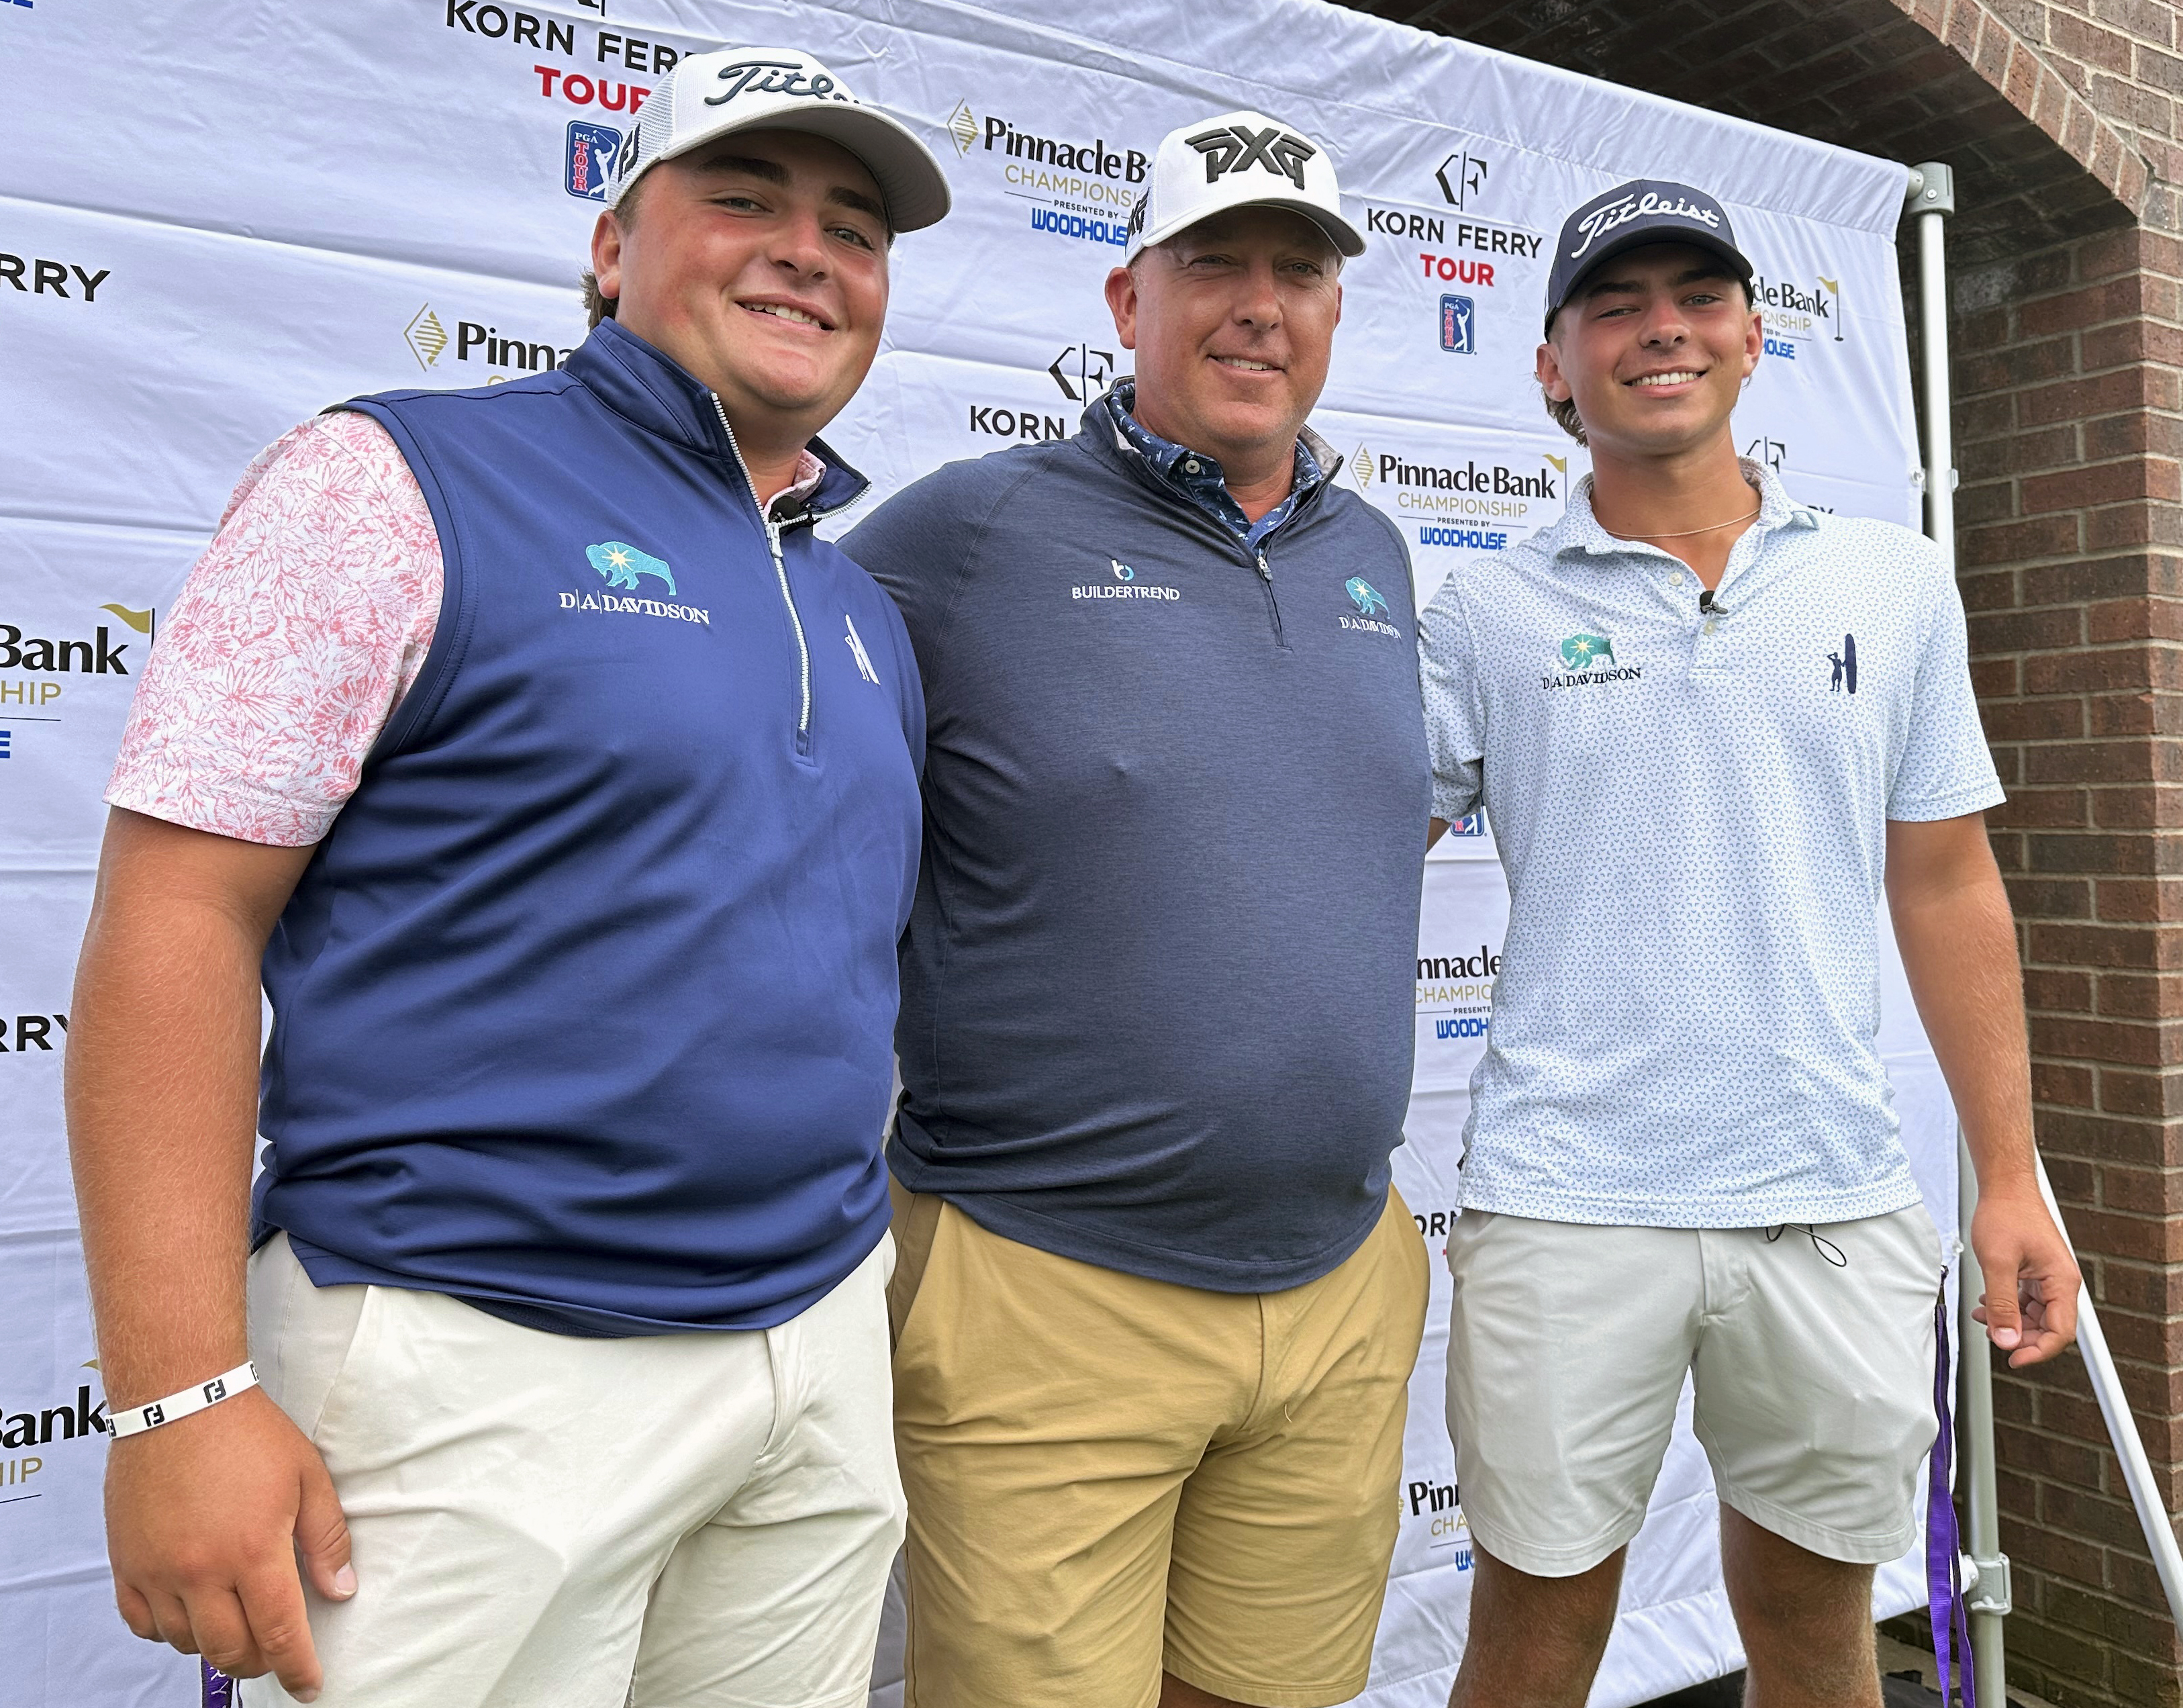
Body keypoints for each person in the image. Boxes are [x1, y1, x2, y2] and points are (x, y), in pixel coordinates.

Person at [65, 45, 948, 1708]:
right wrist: (176, 1402)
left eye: (855, 226)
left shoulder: (859, 602)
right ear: (611, 247)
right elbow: (176, 919)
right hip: (469, 1371)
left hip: (816, 1357)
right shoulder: (388, 484)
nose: (807, 251)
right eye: (744, 197)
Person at [1418, 179, 2081, 1708]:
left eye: (1698, 297)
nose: (1663, 329)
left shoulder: (1892, 583)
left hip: (1829, 1197)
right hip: (1569, 1200)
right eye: (1616, 305)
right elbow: (1349, 868)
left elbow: (1947, 883)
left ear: (1752, 336)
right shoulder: (1479, 613)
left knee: (1810, 1628)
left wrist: (2007, 1177)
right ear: (1551, 364)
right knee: (1533, 1635)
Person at [838, 109, 1431, 1708]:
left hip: (1336, 1288)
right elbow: (772, 755)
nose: (1260, 305)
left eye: (1297, 272)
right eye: (1214, 264)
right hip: (1047, 1285)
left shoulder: (1372, 551)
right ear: (1127, 301)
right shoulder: (966, 536)